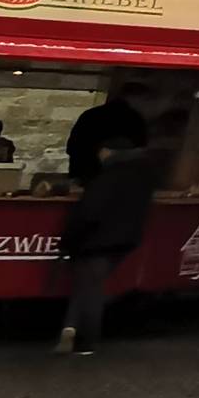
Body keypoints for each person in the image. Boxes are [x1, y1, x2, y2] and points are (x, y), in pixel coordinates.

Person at [57, 112, 175, 353]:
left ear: (107, 152)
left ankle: (84, 341)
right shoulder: (144, 175)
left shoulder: (107, 177)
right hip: (123, 239)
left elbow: (89, 213)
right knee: (86, 286)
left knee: (89, 288)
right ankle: (69, 328)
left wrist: (68, 241)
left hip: (98, 240)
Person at [67, 82, 150, 184]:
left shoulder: (91, 114)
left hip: (83, 172)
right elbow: (140, 149)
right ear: (135, 98)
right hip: (116, 177)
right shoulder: (134, 119)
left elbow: (72, 146)